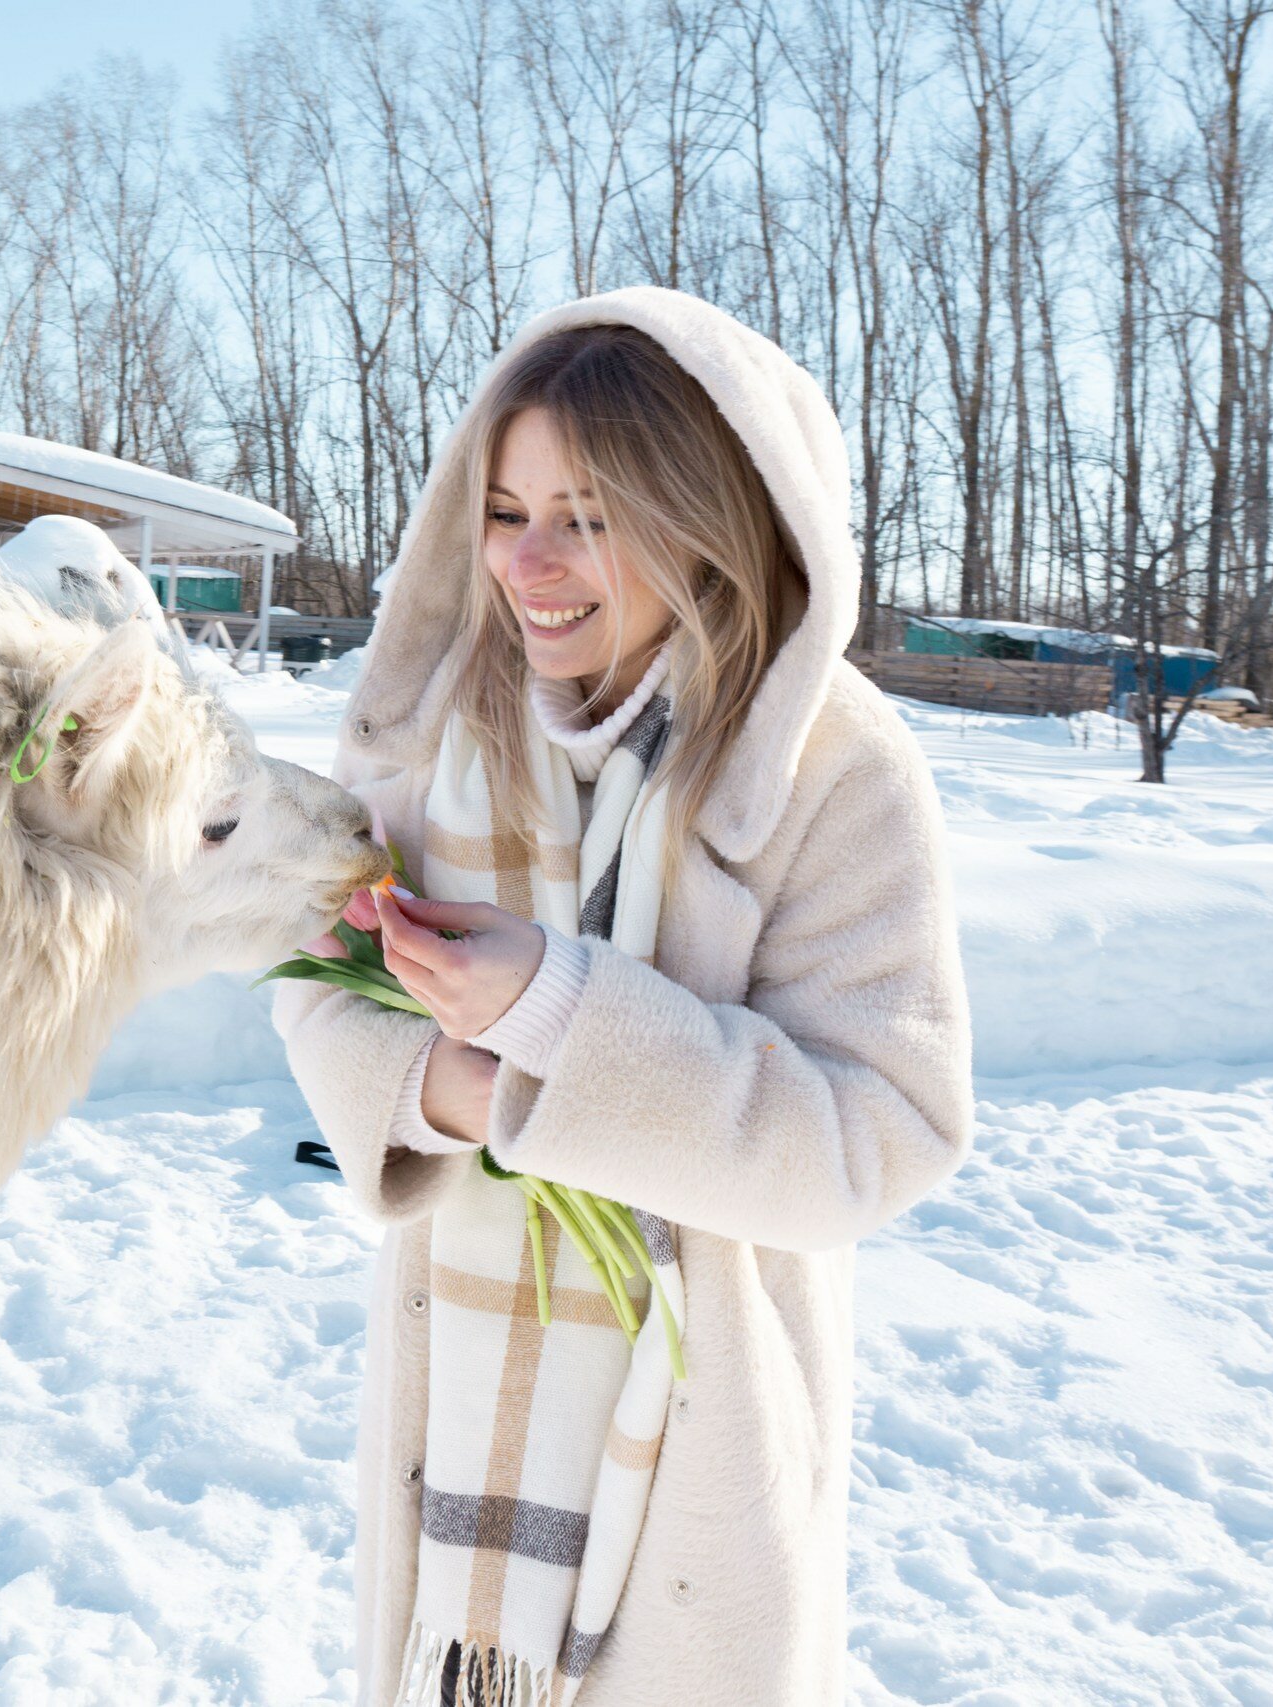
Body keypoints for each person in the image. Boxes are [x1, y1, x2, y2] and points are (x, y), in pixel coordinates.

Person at [273, 288, 974, 1707]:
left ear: (705, 518)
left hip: (700, 1432)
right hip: (454, 1443)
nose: (528, 565)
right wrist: (447, 1088)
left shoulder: (830, 766)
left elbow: (882, 1127)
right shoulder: (434, 735)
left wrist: (556, 1015)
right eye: (505, 510)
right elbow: (315, 978)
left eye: (585, 518)